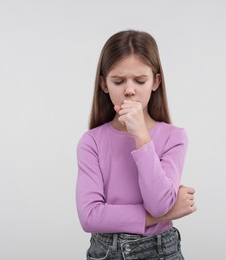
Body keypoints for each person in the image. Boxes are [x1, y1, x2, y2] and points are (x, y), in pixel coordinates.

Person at [76, 30, 196, 260]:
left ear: (155, 82)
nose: (129, 90)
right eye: (118, 81)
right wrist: (160, 217)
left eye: (140, 81)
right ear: (103, 84)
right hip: (107, 252)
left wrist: (141, 136)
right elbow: (90, 216)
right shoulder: (91, 142)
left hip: (161, 251)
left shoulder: (174, 137)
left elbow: (159, 204)